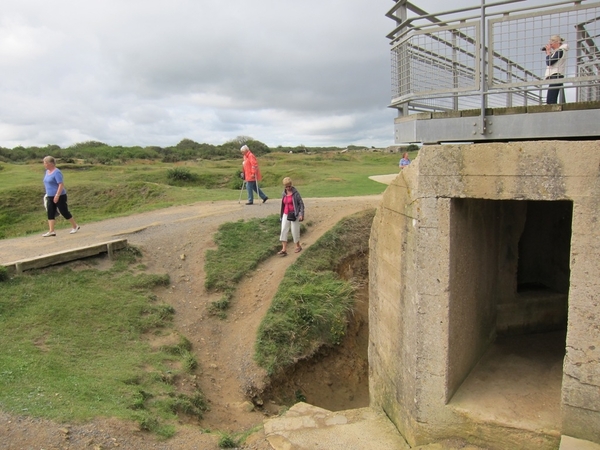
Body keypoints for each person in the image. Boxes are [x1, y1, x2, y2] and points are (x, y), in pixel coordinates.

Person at [42, 156, 80, 237]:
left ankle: (75, 226)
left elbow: (60, 184)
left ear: (50, 163)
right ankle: (51, 231)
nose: (44, 165)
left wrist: (57, 195)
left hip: (60, 195)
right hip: (49, 196)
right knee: (50, 212)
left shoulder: (57, 172)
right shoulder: (47, 172)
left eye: (45, 163)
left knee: (63, 211)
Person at [278, 177, 305, 256]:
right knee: (283, 230)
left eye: (289, 186)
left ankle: (298, 246)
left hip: (294, 214)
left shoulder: (295, 193)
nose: (288, 188)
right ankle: (284, 249)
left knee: (294, 230)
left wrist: (301, 214)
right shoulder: (284, 193)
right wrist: (282, 215)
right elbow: (283, 204)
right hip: (285, 214)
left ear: (291, 185)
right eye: (286, 186)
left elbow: (301, 204)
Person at [544, 35, 568, 105]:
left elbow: (549, 62)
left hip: (556, 75)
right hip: (556, 75)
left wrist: (548, 53)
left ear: (557, 42)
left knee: (551, 100)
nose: (550, 45)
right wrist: (549, 54)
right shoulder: (558, 51)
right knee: (551, 98)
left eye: (551, 43)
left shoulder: (560, 51)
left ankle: (553, 114)